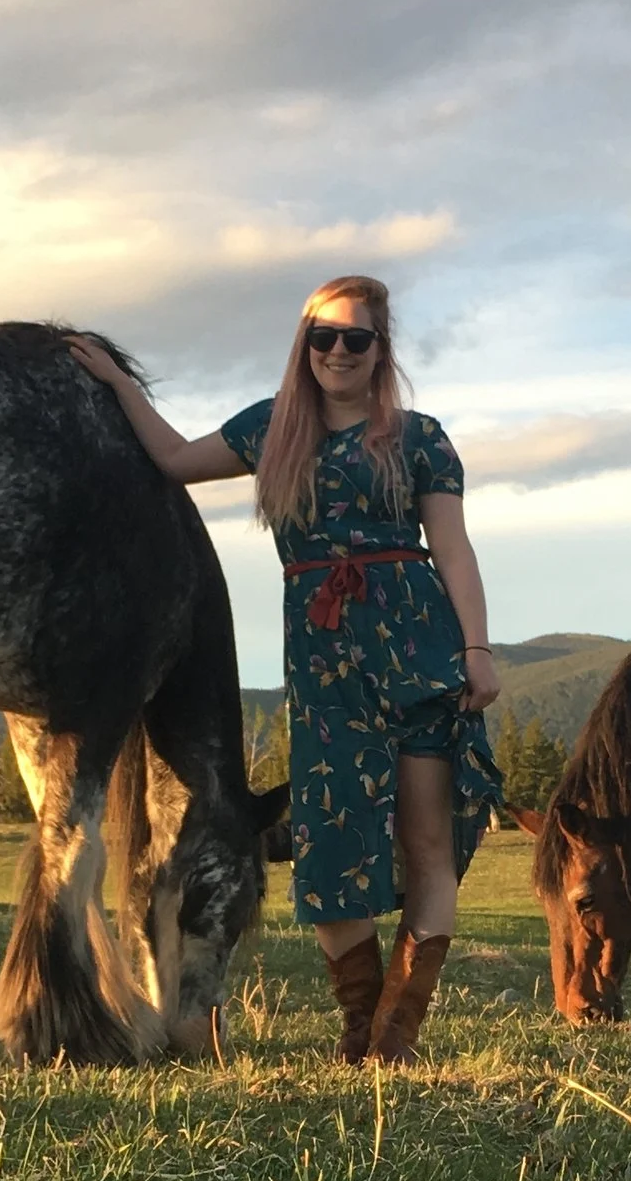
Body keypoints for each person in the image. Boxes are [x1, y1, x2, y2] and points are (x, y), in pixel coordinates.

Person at [69, 277, 503, 1064]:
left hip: (418, 649)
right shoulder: (271, 431)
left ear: (381, 351)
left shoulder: (421, 438)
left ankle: (396, 1036)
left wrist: (476, 647)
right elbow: (170, 459)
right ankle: (359, 1027)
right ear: (304, 348)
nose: (339, 351)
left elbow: (454, 548)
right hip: (326, 662)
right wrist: (118, 383)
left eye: (357, 339)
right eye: (324, 337)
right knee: (332, 847)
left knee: (426, 841)